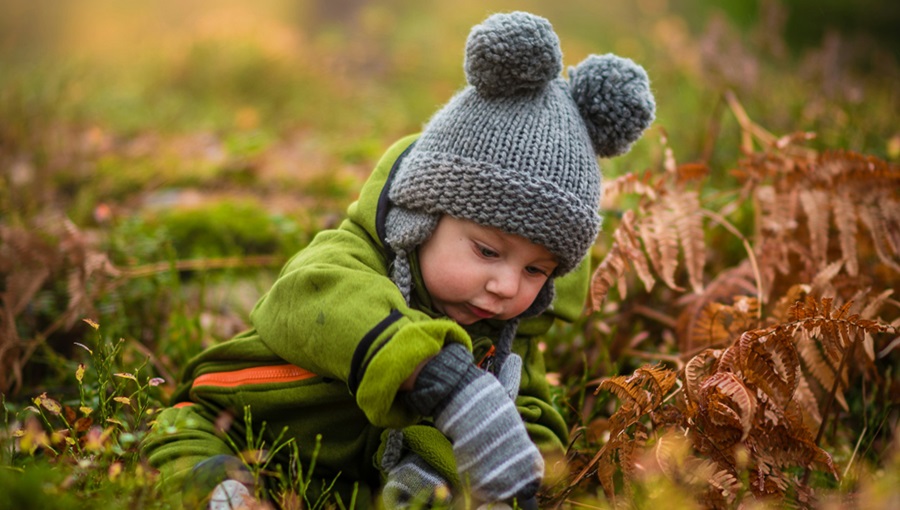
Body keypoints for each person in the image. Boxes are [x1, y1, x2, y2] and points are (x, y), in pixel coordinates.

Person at [142, 10, 654, 509]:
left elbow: (532, 416)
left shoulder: (506, 335)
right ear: (420, 218)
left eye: (535, 270)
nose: (505, 285)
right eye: (487, 251)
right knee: (189, 440)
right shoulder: (350, 259)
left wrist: (498, 471)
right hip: (238, 420)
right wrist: (440, 379)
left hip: (347, 484)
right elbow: (307, 297)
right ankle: (222, 493)